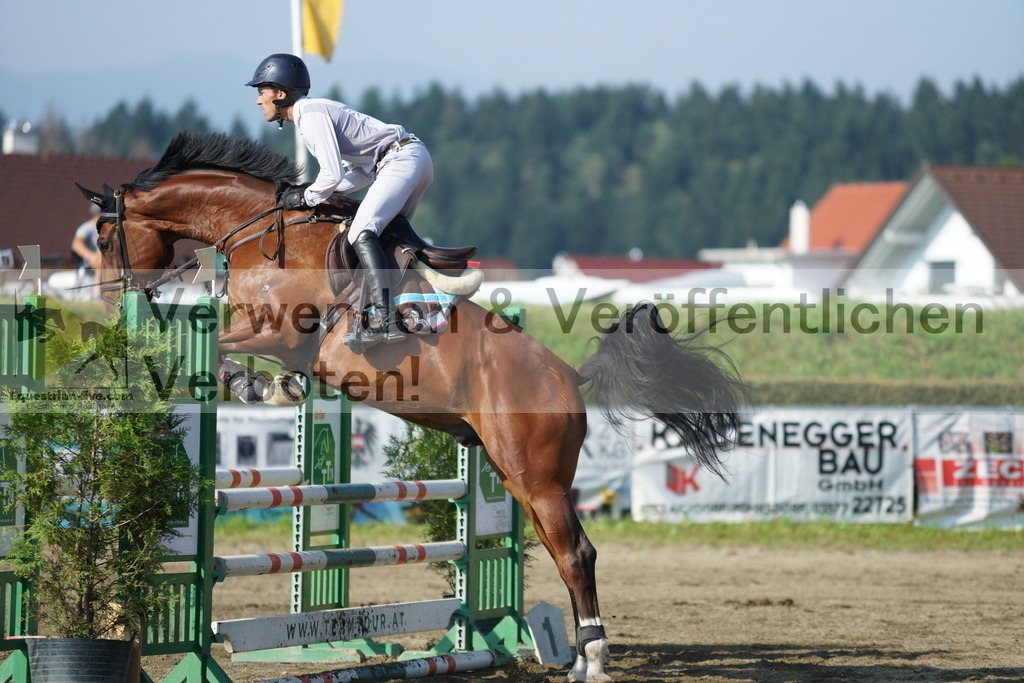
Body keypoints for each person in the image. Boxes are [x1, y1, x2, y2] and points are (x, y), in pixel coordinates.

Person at [246, 53, 434, 352]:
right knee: (387, 239)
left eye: (261, 92)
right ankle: (408, 307)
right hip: (409, 158)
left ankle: (385, 320)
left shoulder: (309, 114)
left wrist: (306, 196)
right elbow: (357, 174)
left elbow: (331, 174)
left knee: (362, 233)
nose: (258, 101)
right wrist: (322, 193)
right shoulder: (314, 111)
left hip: (400, 160)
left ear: (280, 94)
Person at [71, 204, 102, 297]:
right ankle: (96, 294)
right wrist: (91, 256)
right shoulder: (87, 228)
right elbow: (76, 244)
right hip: (90, 266)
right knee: (99, 259)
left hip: (105, 264)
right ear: (97, 215)